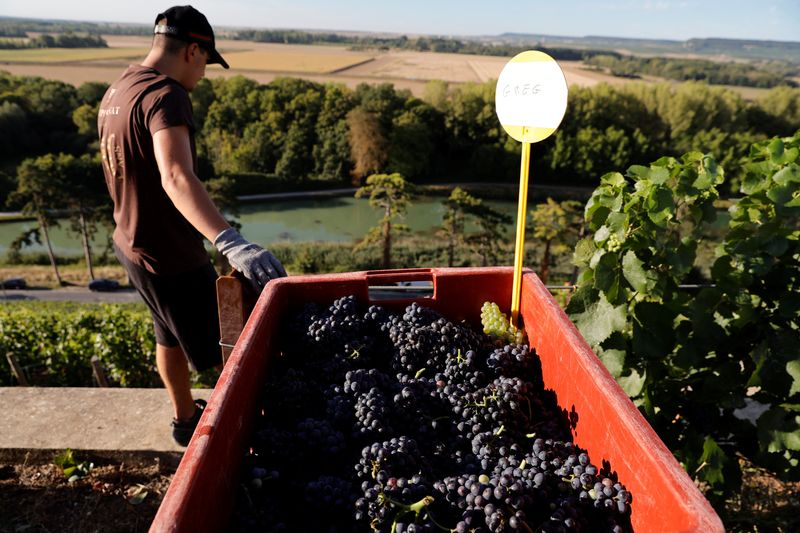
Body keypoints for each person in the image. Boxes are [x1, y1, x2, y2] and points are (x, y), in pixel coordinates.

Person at [97, 5, 286, 446]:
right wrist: (231, 241)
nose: (203, 76)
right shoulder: (166, 95)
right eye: (207, 63)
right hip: (170, 255)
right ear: (194, 51)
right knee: (235, 352)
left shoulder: (119, 89)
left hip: (130, 243)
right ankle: (245, 442)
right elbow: (176, 175)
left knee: (168, 333)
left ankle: (185, 421)